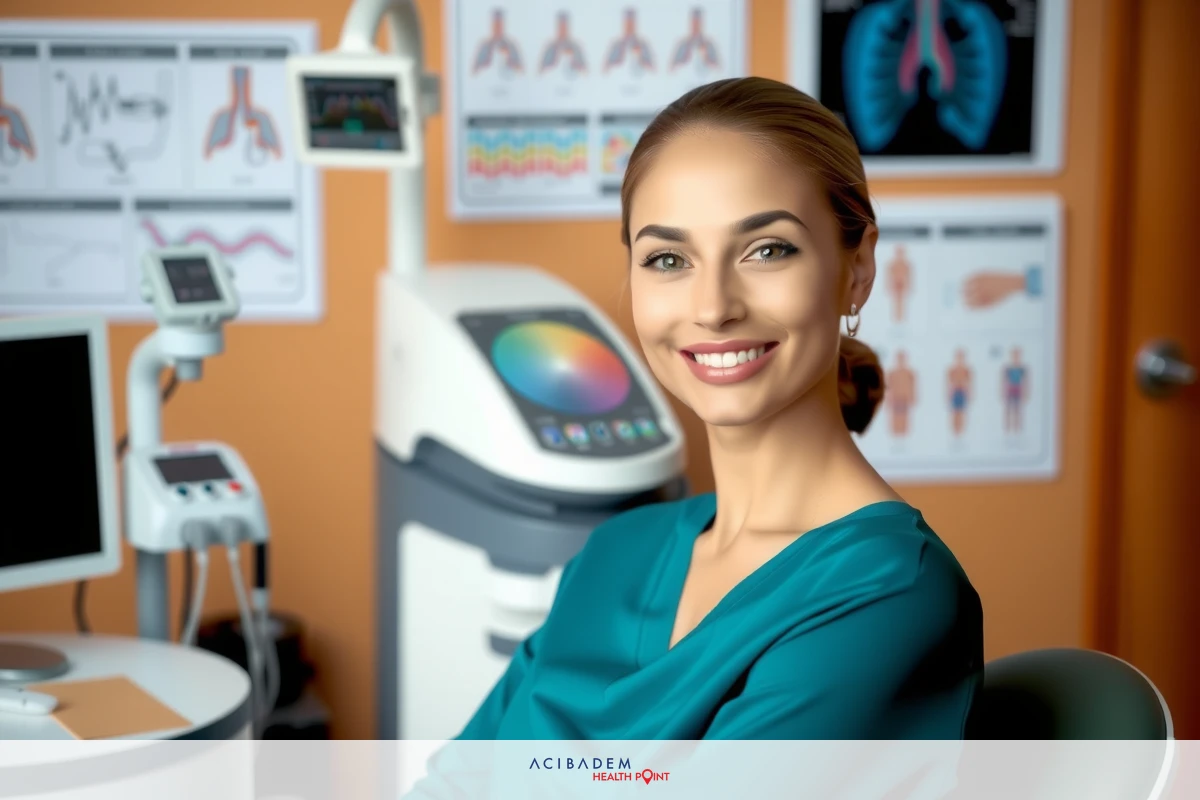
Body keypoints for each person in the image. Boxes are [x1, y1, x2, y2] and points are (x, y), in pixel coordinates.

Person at [453, 77, 982, 741]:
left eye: (767, 250)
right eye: (668, 258)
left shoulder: (885, 594)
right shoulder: (617, 553)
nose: (711, 307)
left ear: (857, 269)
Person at [886, 349, 918, 437]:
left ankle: (904, 435)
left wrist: (913, 397)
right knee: (895, 418)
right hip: (895, 399)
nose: (901, 360)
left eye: (902, 358)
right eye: (899, 358)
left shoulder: (909, 373)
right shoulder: (892, 373)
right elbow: (888, 388)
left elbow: (913, 386)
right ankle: (896, 435)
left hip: (905, 399)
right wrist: (888, 400)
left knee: (904, 418)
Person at [947, 349, 973, 437]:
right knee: (954, 412)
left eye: (961, 357)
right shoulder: (952, 370)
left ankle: (961, 431)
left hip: (962, 392)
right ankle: (954, 431)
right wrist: (949, 394)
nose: (959, 359)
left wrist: (969, 393)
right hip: (955, 392)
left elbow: (969, 383)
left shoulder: (966, 370)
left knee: (961, 412)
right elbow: (948, 383)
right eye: (958, 357)